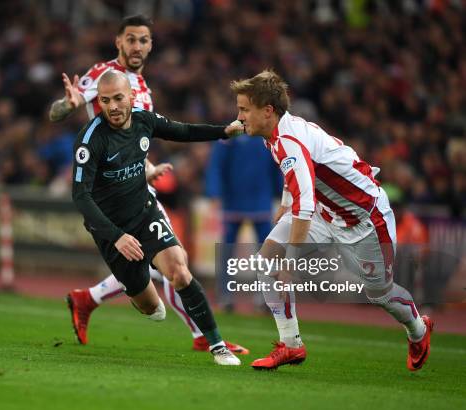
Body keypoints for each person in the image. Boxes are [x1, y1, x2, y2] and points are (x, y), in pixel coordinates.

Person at [49, 15, 248, 354]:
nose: (137, 46)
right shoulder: (101, 75)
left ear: (151, 45)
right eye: (130, 39)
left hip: (137, 184)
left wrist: (148, 166)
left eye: (143, 40)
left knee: (172, 262)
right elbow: (57, 113)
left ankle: (201, 334)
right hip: (107, 192)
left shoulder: (141, 86)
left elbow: (142, 133)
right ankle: (95, 299)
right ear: (118, 42)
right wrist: (66, 107)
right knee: (160, 268)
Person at [230, 70, 433, 371]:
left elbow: (305, 203)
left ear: (267, 111)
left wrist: (292, 262)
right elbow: (298, 180)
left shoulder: (288, 141)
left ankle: (418, 329)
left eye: (244, 109)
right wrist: (285, 205)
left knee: (380, 293)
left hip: (364, 219)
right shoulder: (273, 134)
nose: (239, 116)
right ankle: (291, 344)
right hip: (326, 214)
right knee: (265, 262)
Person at [205, 135, 281, 311]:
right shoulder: (230, 135)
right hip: (234, 200)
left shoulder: (268, 137)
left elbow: (277, 165)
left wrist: (283, 191)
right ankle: (225, 294)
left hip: (261, 199)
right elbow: (216, 165)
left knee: (266, 250)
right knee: (227, 251)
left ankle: (264, 297)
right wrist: (214, 192)